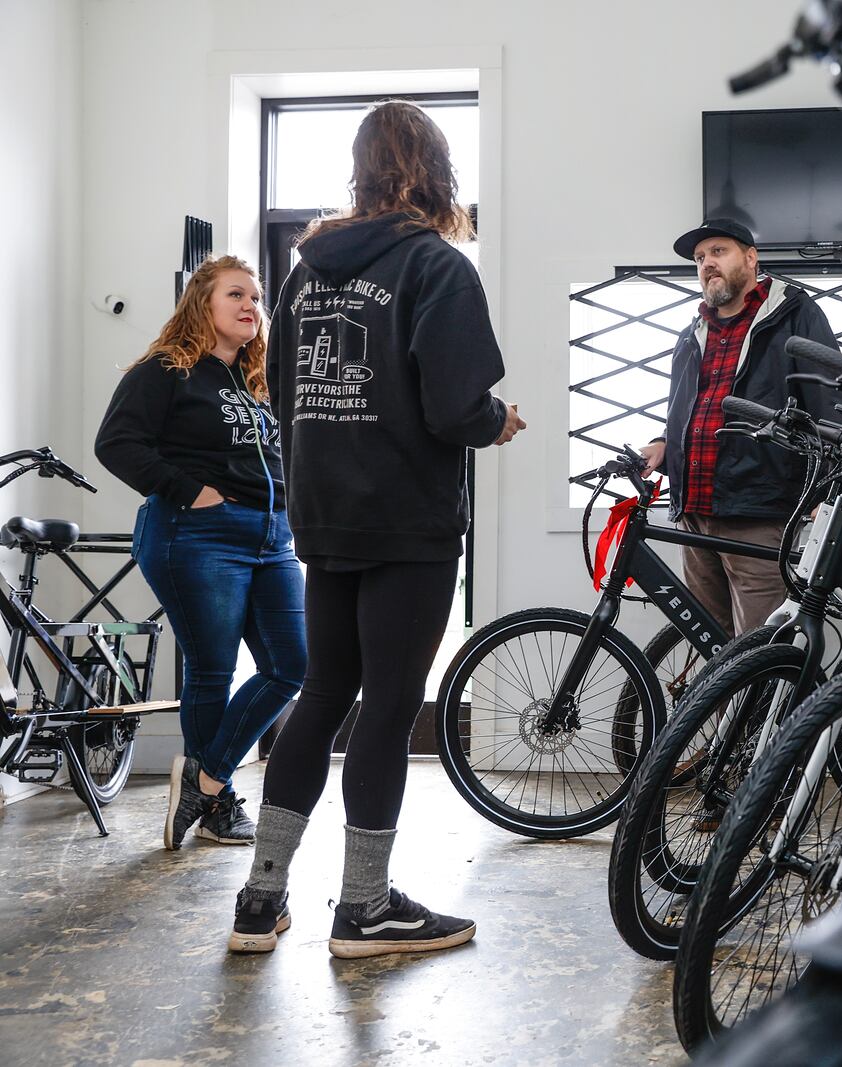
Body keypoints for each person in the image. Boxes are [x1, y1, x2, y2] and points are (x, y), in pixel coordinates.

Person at [227, 100, 525, 958]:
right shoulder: (438, 266)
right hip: (405, 518)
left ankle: (260, 900)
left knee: (321, 694)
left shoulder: (304, 270)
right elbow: (454, 406)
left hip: (325, 514)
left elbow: (278, 389)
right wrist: (497, 417)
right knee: (390, 709)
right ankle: (364, 907)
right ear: (436, 169)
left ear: (360, 169)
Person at [96, 255, 307, 852]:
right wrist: (193, 491)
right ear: (202, 304)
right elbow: (115, 443)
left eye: (256, 298)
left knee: (292, 665)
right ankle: (219, 805)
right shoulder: (169, 370)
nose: (251, 306)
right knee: (212, 670)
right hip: (197, 533)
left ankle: (204, 781)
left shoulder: (259, 380)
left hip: (271, 537)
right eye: (236, 295)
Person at [641, 218, 842, 637]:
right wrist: (664, 443)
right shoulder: (692, 333)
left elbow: (832, 405)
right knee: (711, 648)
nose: (706, 265)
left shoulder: (795, 315)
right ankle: (719, 709)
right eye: (700, 258)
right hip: (694, 513)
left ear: (751, 258)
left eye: (718, 252)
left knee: (758, 651)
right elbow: (688, 409)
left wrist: (828, 492)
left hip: (759, 512)